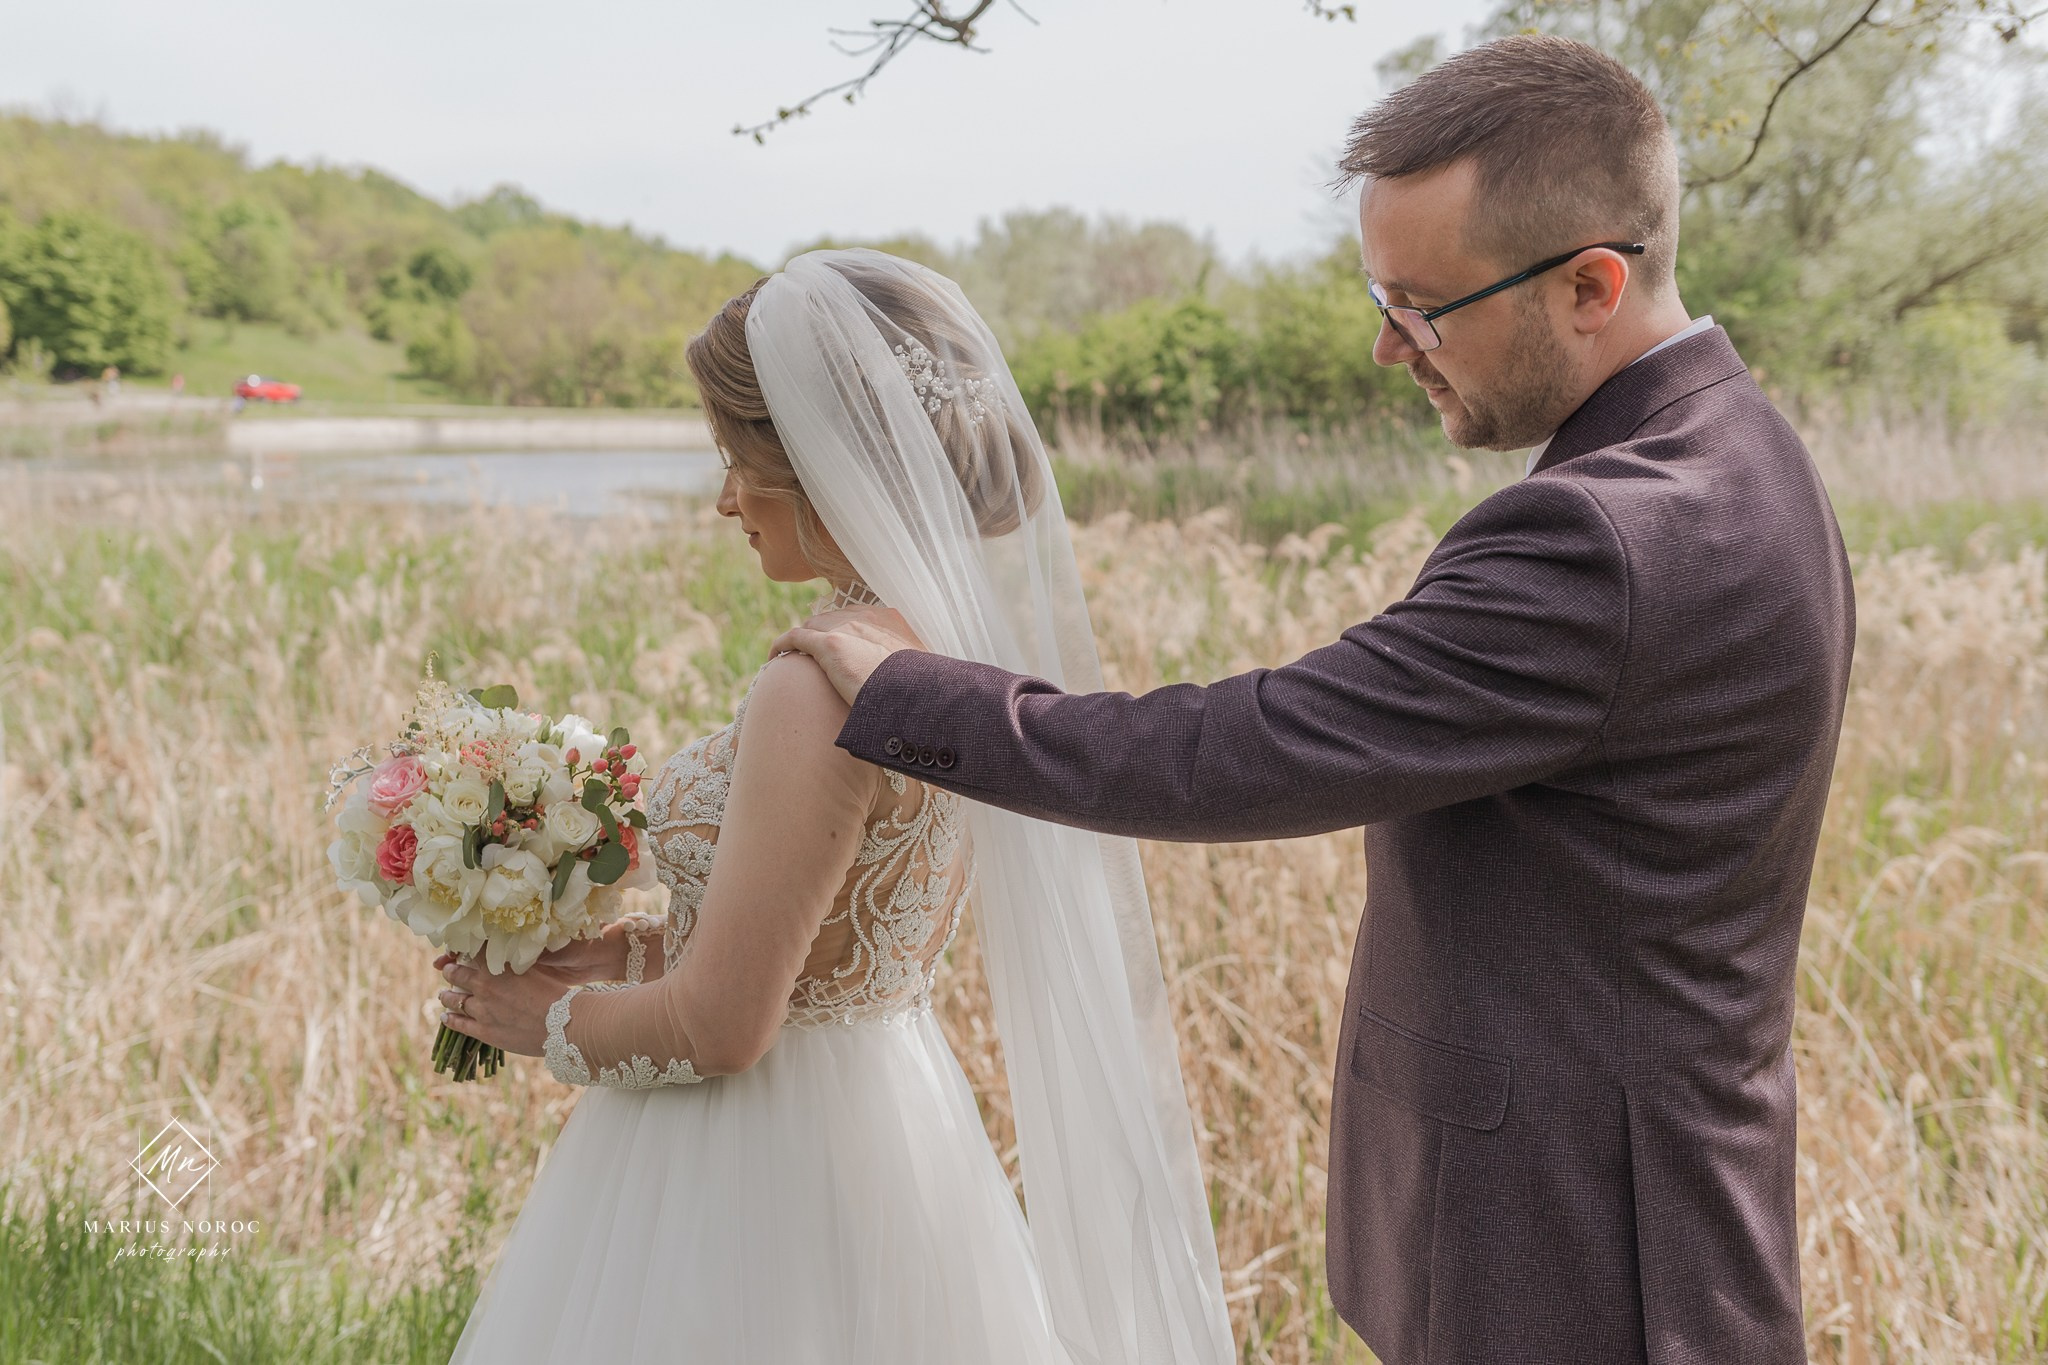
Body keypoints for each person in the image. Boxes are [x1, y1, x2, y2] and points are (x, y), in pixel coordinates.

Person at [776, 35, 1855, 1365]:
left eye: (1423, 304)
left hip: (1573, 1256)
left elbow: (1238, 752)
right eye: (1379, 292)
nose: (1388, 349)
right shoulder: (1747, 448)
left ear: (1591, 283)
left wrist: (913, 695)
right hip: (1661, 1220)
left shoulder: (1599, 537)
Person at [432, 250, 1234, 1365]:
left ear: (818, 463)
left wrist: (545, 1025)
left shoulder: (817, 685)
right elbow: (836, 943)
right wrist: (625, 955)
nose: (722, 499)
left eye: (735, 459)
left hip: (754, 1172)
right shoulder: (947, 661)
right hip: (893, 1129)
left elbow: (724, 1027)